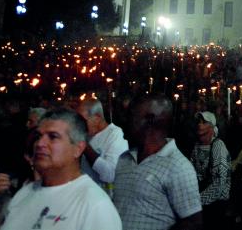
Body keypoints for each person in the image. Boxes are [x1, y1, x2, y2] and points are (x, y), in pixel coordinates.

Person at [0, 107, 121, 230]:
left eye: (53, 137)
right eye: (38, 136)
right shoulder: (24, 194)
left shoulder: (95, 205)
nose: (40, 144)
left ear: (78, 149)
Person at [114, 94, 202, 230]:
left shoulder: (178, 166)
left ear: (149, 121)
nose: (124, 121)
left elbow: (193, 222)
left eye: (131, 116)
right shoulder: (124, 158)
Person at [76, 97, 128, 191]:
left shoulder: (114, 134)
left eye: (83, 121)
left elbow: (110, 174)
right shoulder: (88, 135)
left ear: (97, 117)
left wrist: (86, 146)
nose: (80, 126)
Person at [190, 111, 231, 229]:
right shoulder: (197, 146)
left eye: (204, 122)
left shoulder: (218, 146)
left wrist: (196, 201)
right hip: (201, 202)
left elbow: (219, 184)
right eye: (199, 122)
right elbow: (192, 171)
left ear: (212, 127)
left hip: (216, 204)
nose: (199, 124)